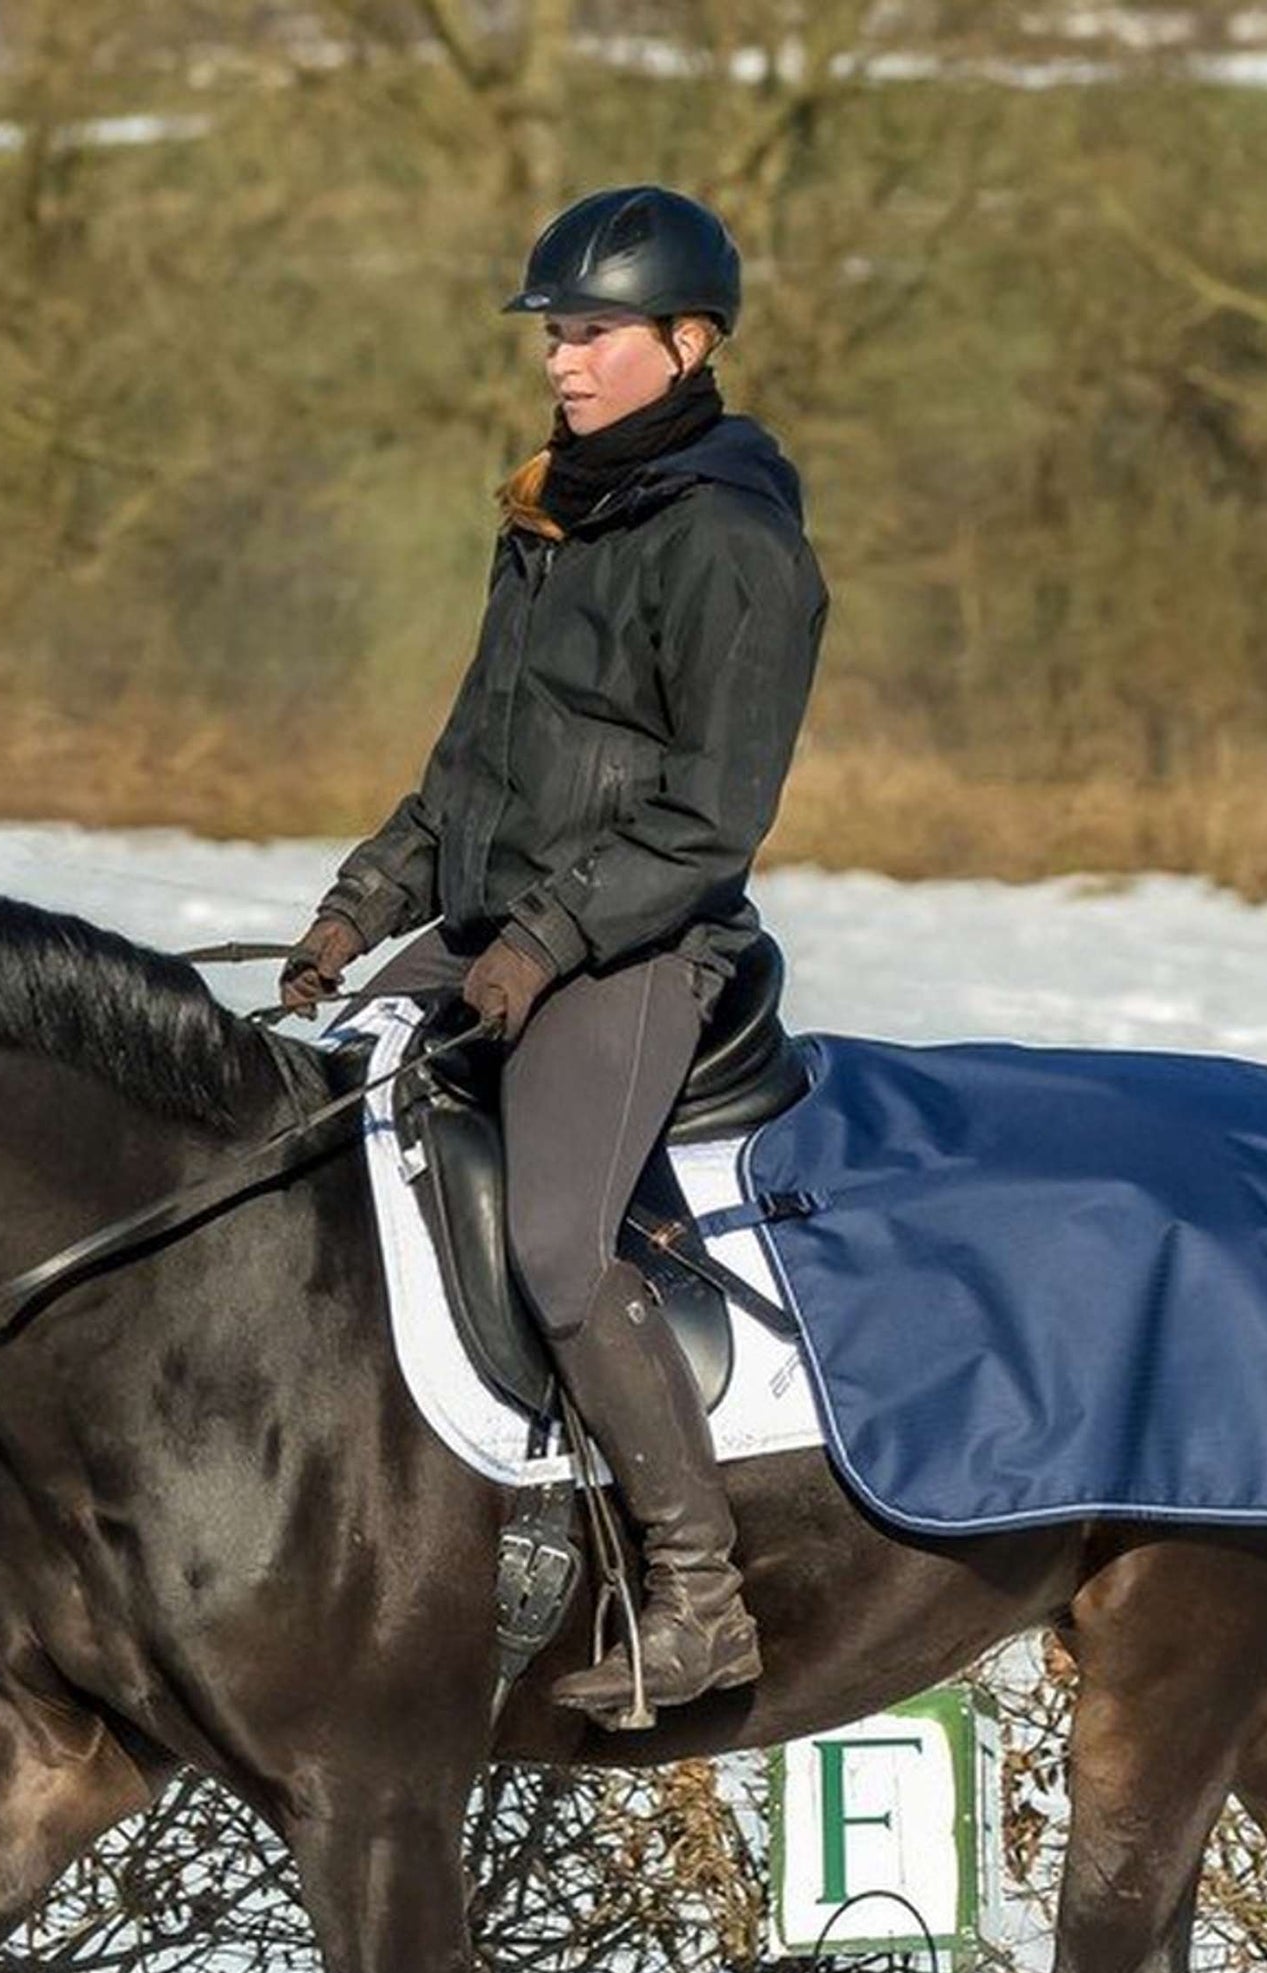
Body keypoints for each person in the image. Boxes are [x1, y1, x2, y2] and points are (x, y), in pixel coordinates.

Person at [280, 182, 828, 1723]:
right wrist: (361, 904)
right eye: (556, 335)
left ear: (687, 340)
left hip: (646, 948)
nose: (563, 363)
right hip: (493, 933)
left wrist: (548, 938)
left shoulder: (733, 545)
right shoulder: (547, 515)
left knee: (558, 1248)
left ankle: (697, 1594)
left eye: (592, 335)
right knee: (296, 1130)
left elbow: (712, 819)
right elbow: (471, 765)